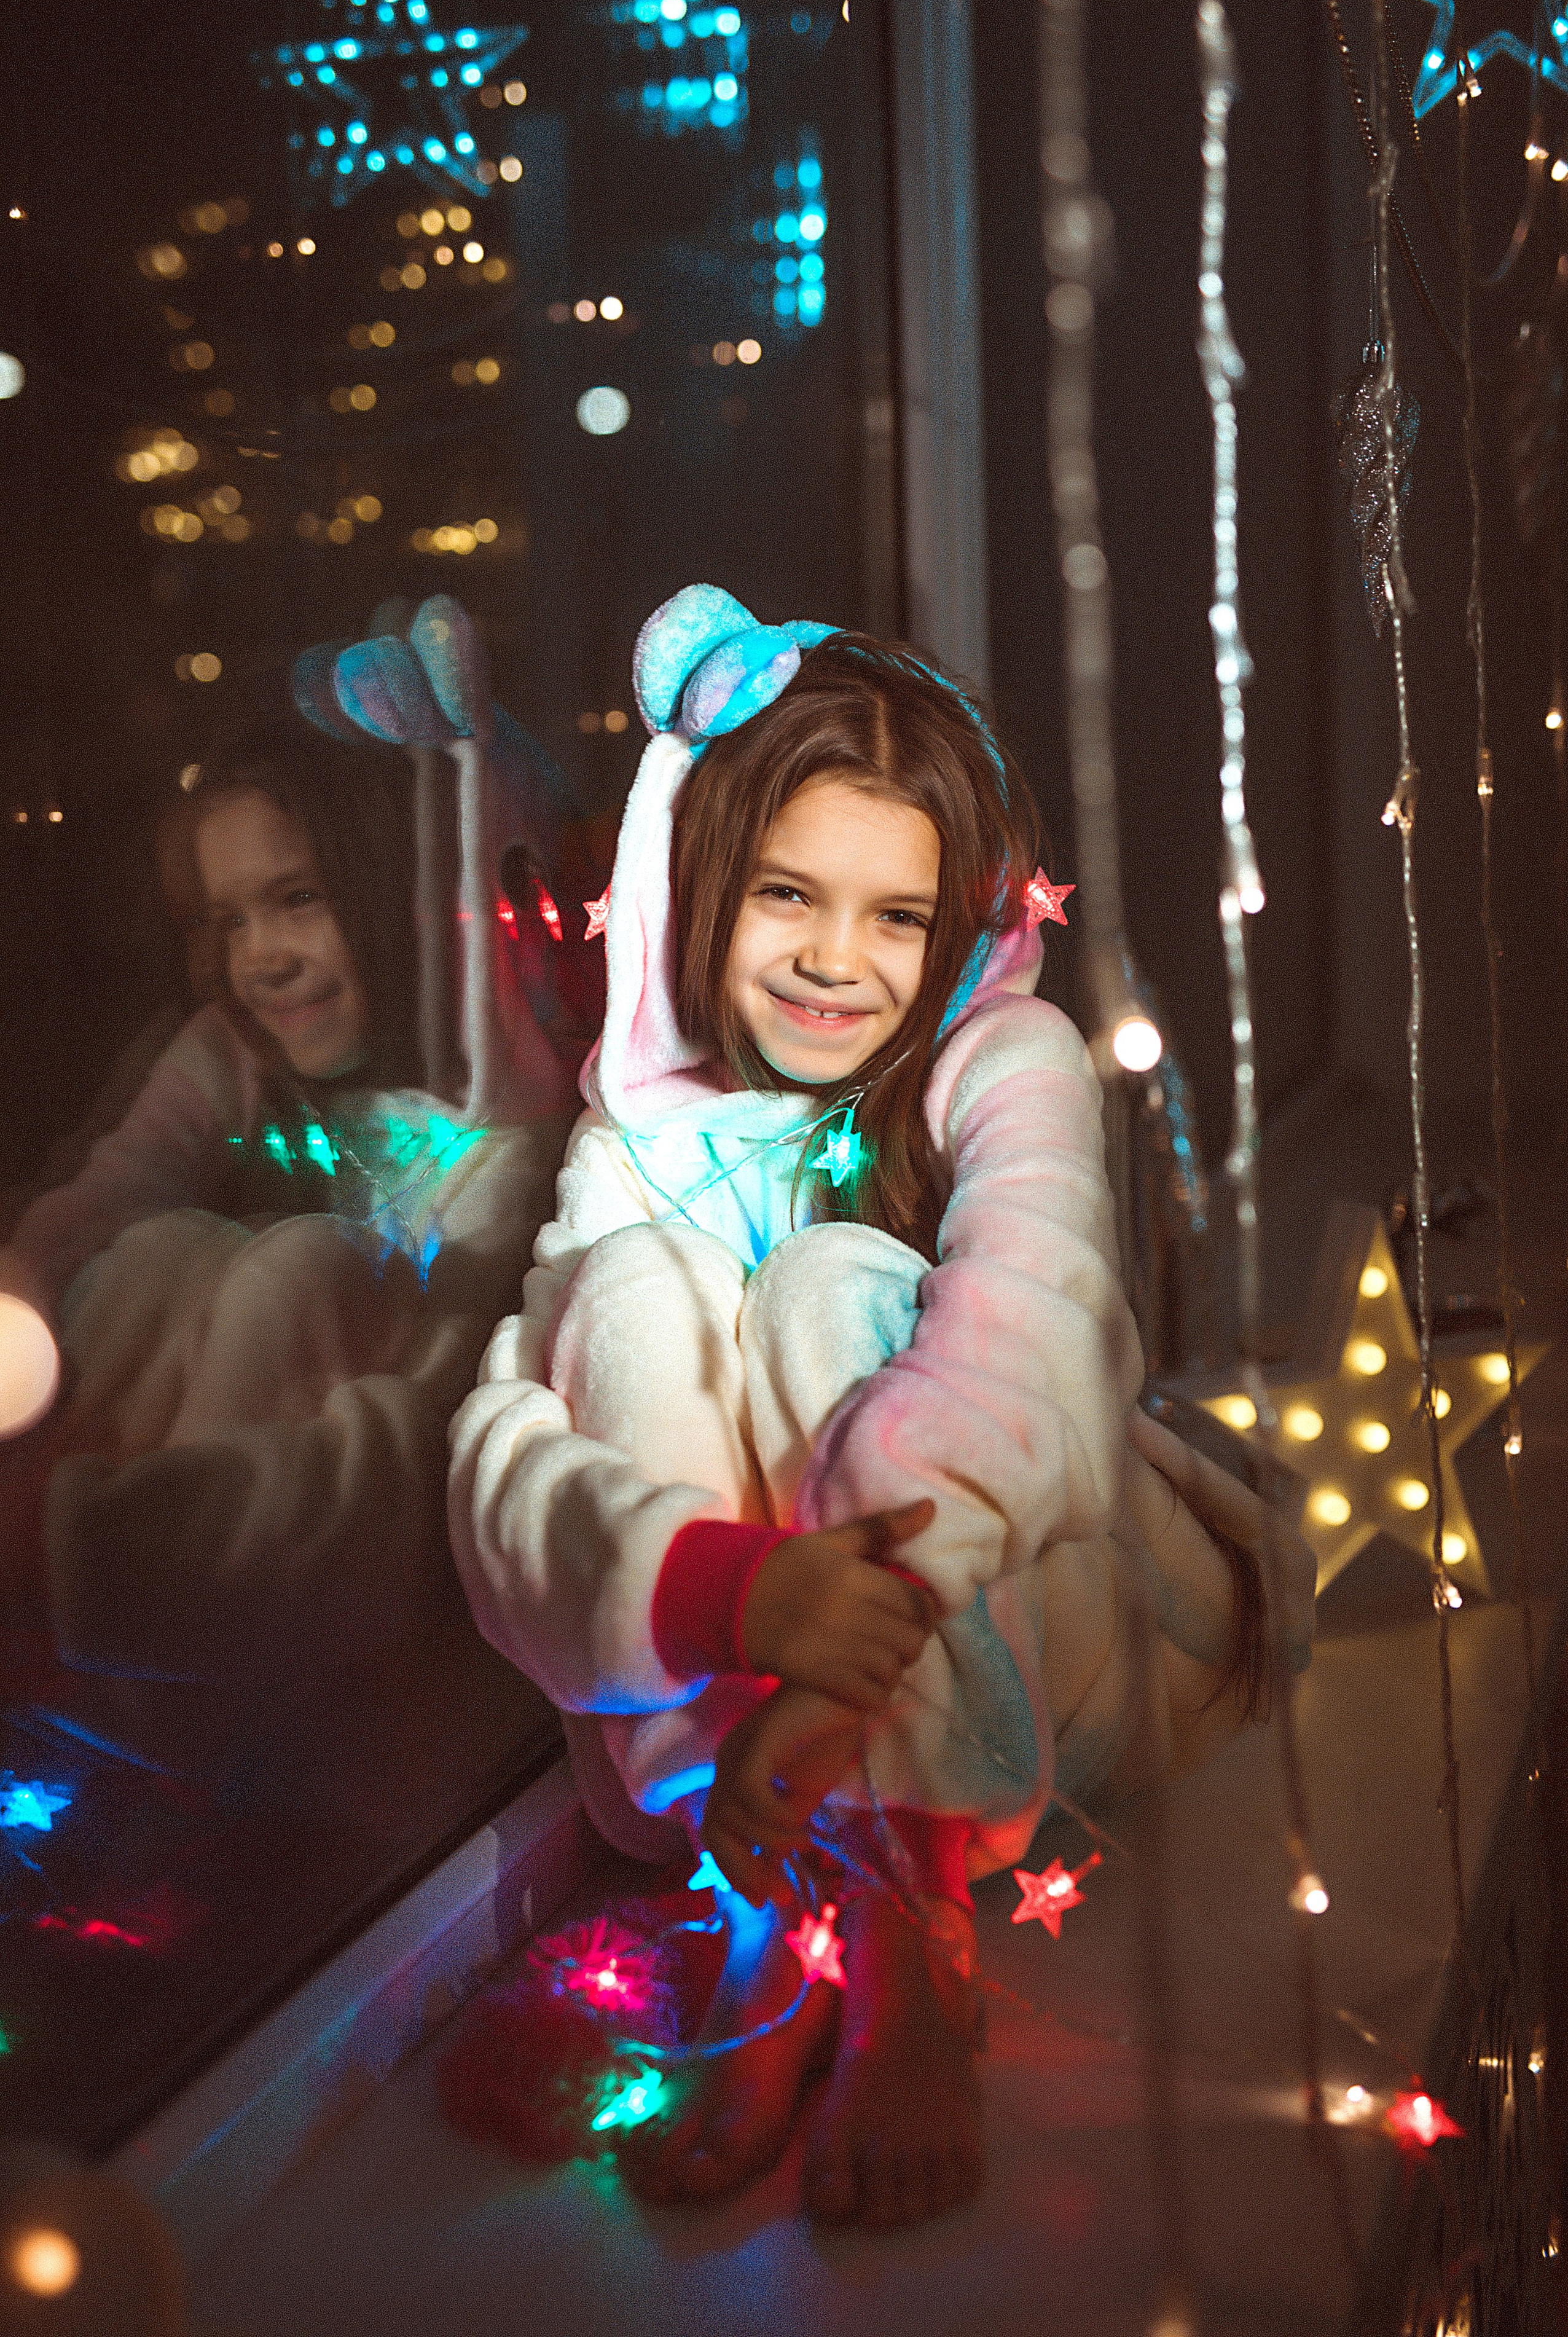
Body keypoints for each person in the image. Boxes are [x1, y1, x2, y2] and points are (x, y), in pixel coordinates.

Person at [448, 586, 1315, 2229]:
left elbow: (1039, 1337)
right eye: (788, 895)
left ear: (960, 929)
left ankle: (912, 1928)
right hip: (737, 1752)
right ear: (704, 888)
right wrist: (740, 1594)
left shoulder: (1008, 1062)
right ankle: (774, 1909)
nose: (837, 964)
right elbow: (507, 1448)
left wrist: (860, 1650)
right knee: (621, 1301)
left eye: (896, 917)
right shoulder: (637, 1136)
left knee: (841, 1284)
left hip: (1038, 1664)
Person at [1, 713, 574, 1700]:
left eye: (297, 900)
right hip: (116, 1510)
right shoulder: (236, 1049)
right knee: (157, 1255)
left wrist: (79, 1548)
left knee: (310, 1265)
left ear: (406, 900)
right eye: (228, 921)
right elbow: (100, 1207)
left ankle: (145, 1624)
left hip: (351, 1600)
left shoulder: (505, 1128)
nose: (258, 959)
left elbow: (434, 1431)